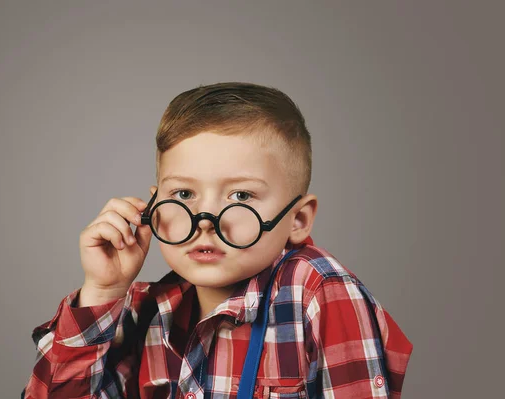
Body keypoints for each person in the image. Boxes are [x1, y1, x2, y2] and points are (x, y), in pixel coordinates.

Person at [21, 82, 413, 399]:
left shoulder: (316, 291)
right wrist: (104, 289)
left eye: (240, 196)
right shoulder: (146, 311)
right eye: (184, 195)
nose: (205, 222)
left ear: (297, 219)